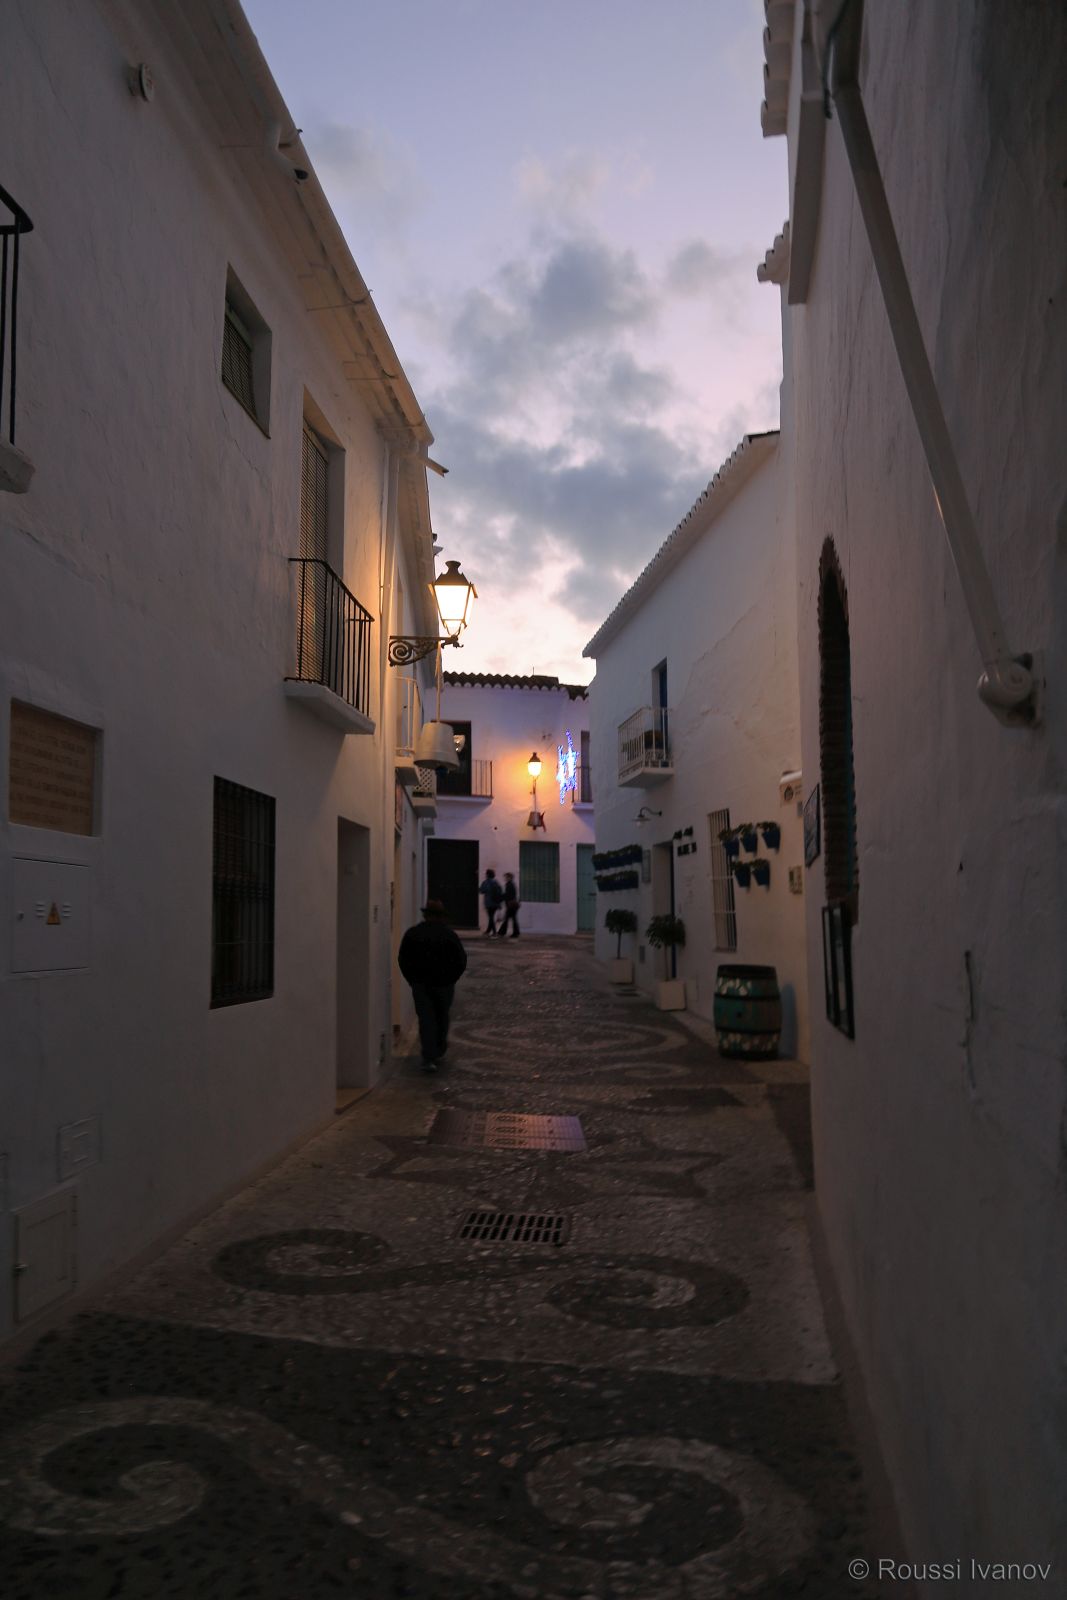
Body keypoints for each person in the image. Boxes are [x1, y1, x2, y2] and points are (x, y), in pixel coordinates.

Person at [397, 900, 468, 1071]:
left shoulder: (413, 933)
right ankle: (439, 1048)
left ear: (426, 915)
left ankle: (429, 1055)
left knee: (426, 1018)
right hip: (444, 984)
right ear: (441, 916)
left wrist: (412, 979)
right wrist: (451, 979)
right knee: (442, 1016)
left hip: (421, 984)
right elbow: (461, 960)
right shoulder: (449, 935)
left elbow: (403, 959)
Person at [479, 867, 505, 935]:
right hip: (496, 902)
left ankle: (494, 931)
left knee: (491, 917)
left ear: (487, 874)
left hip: (489, 902)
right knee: (491, 916)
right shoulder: (496, 882)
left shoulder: (486, 882)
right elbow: (500, 892)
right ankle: (488, 931)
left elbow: (482, 891)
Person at [499, 871, 520, 938]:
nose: (505, 878)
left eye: (506, 877)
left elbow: (508, 895)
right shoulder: (511, 884)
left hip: (511, 905)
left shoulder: (509, 885)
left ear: (510, 878)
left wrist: (501, 897)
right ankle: (513, 932)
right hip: (512, 904)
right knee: (510, 918)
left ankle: (503, 932)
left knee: (508, 918)